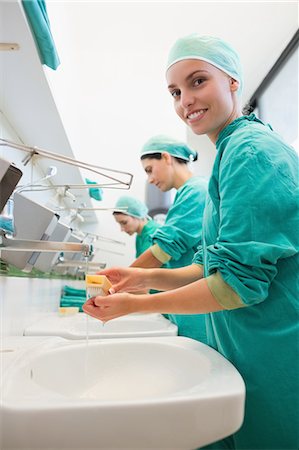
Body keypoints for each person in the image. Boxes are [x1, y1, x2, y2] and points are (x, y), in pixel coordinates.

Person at [84, 34, 299, 450]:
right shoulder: (233, 152)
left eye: (198, 81)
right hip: (249, 343)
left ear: (233, 81)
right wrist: (135, 277)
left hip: (278, 351)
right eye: (175, 91)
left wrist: (137, 304)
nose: (186, 100)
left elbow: (237, 284)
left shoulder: (250, 152)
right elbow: (209, 268)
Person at [133, 135, 208, 342]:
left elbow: (163, 250)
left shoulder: (197, 191)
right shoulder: (187, 193)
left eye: (149, 169)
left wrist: (118, 281)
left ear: (166, 157)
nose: (149, 178)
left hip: (198, 308)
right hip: (187, 303)